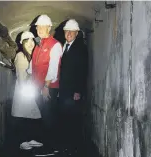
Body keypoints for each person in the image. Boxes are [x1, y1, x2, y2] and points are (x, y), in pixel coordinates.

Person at [27, 14, 63, 154]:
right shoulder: (38, 45)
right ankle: (46, 143)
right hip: (37, 87)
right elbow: (32, 67)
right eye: (38, 26)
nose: (39, 29)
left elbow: (54, 67)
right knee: (44, 115)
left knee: (49, 117)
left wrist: (46, 86)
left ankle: (52, 147)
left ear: (49, 27)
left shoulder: (54, 45)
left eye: (43, 26)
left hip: (48, 88)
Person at [58, 19, 88, 155]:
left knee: (73, 120)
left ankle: (75, 148)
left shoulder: (80, 47)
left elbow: (83, 70)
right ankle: (68, 146)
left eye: (71, 31)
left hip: (73, 91)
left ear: (77, 33)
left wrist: (78, 90)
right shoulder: (66, 46)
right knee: (66, 118)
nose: (68, 33)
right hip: (65, 90)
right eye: (66, 31)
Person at [11, 31, 43, 151]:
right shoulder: (21, 56)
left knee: (33, 115)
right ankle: (22, 141)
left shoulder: (32, 55)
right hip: (23, 91)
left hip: (30, 91)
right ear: (22, 43)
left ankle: (30, 139)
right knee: (23, 116)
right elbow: (21, 76)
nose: (30, 44)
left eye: (32, 41)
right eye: (27, 41)